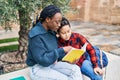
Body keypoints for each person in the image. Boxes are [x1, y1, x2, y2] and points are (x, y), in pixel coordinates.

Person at [26, 5, 83, 80]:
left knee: (75, 69)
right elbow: (43, 60)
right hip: (37, 68)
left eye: (60, 21)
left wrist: (69, 59)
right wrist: (63, 50)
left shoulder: (51, 32)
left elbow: (55, 54)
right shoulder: (36, 35)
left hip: (52, 64)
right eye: (57, 22)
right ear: (48, 19)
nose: (59, 25)